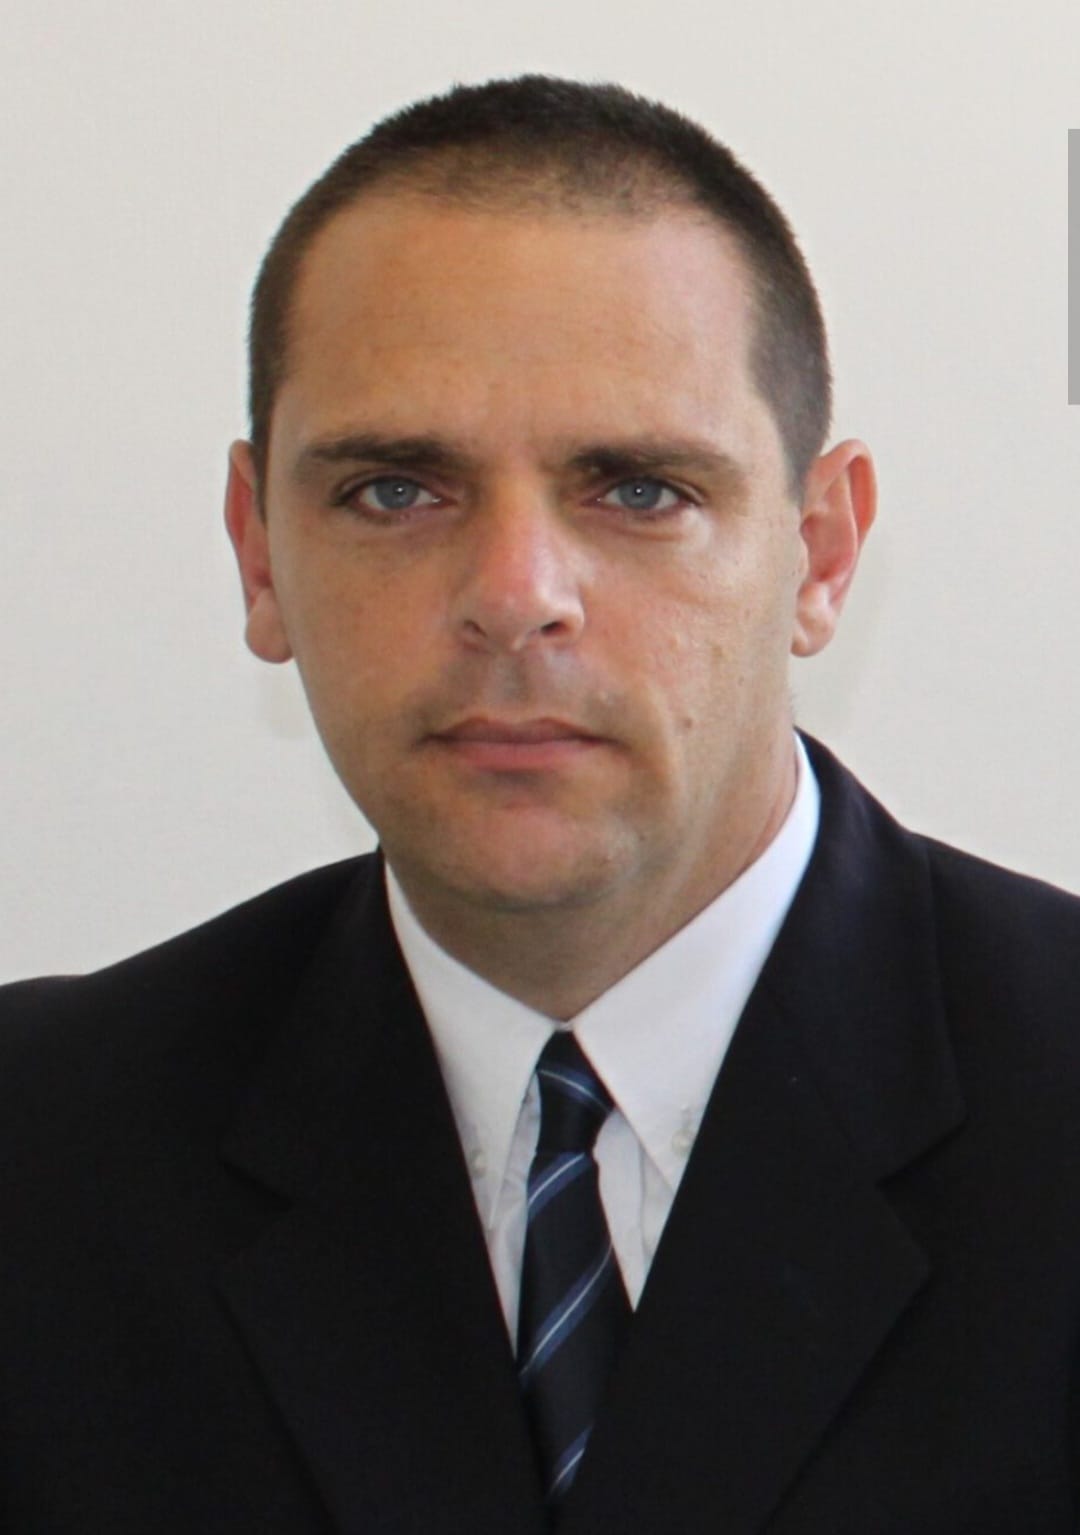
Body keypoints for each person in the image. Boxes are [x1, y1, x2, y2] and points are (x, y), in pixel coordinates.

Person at [2, 74, 1080, 1535]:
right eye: (396, 491)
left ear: (820, 555)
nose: (515, 598)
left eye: (637, 490)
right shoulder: (41, 1156)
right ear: (259, 556)